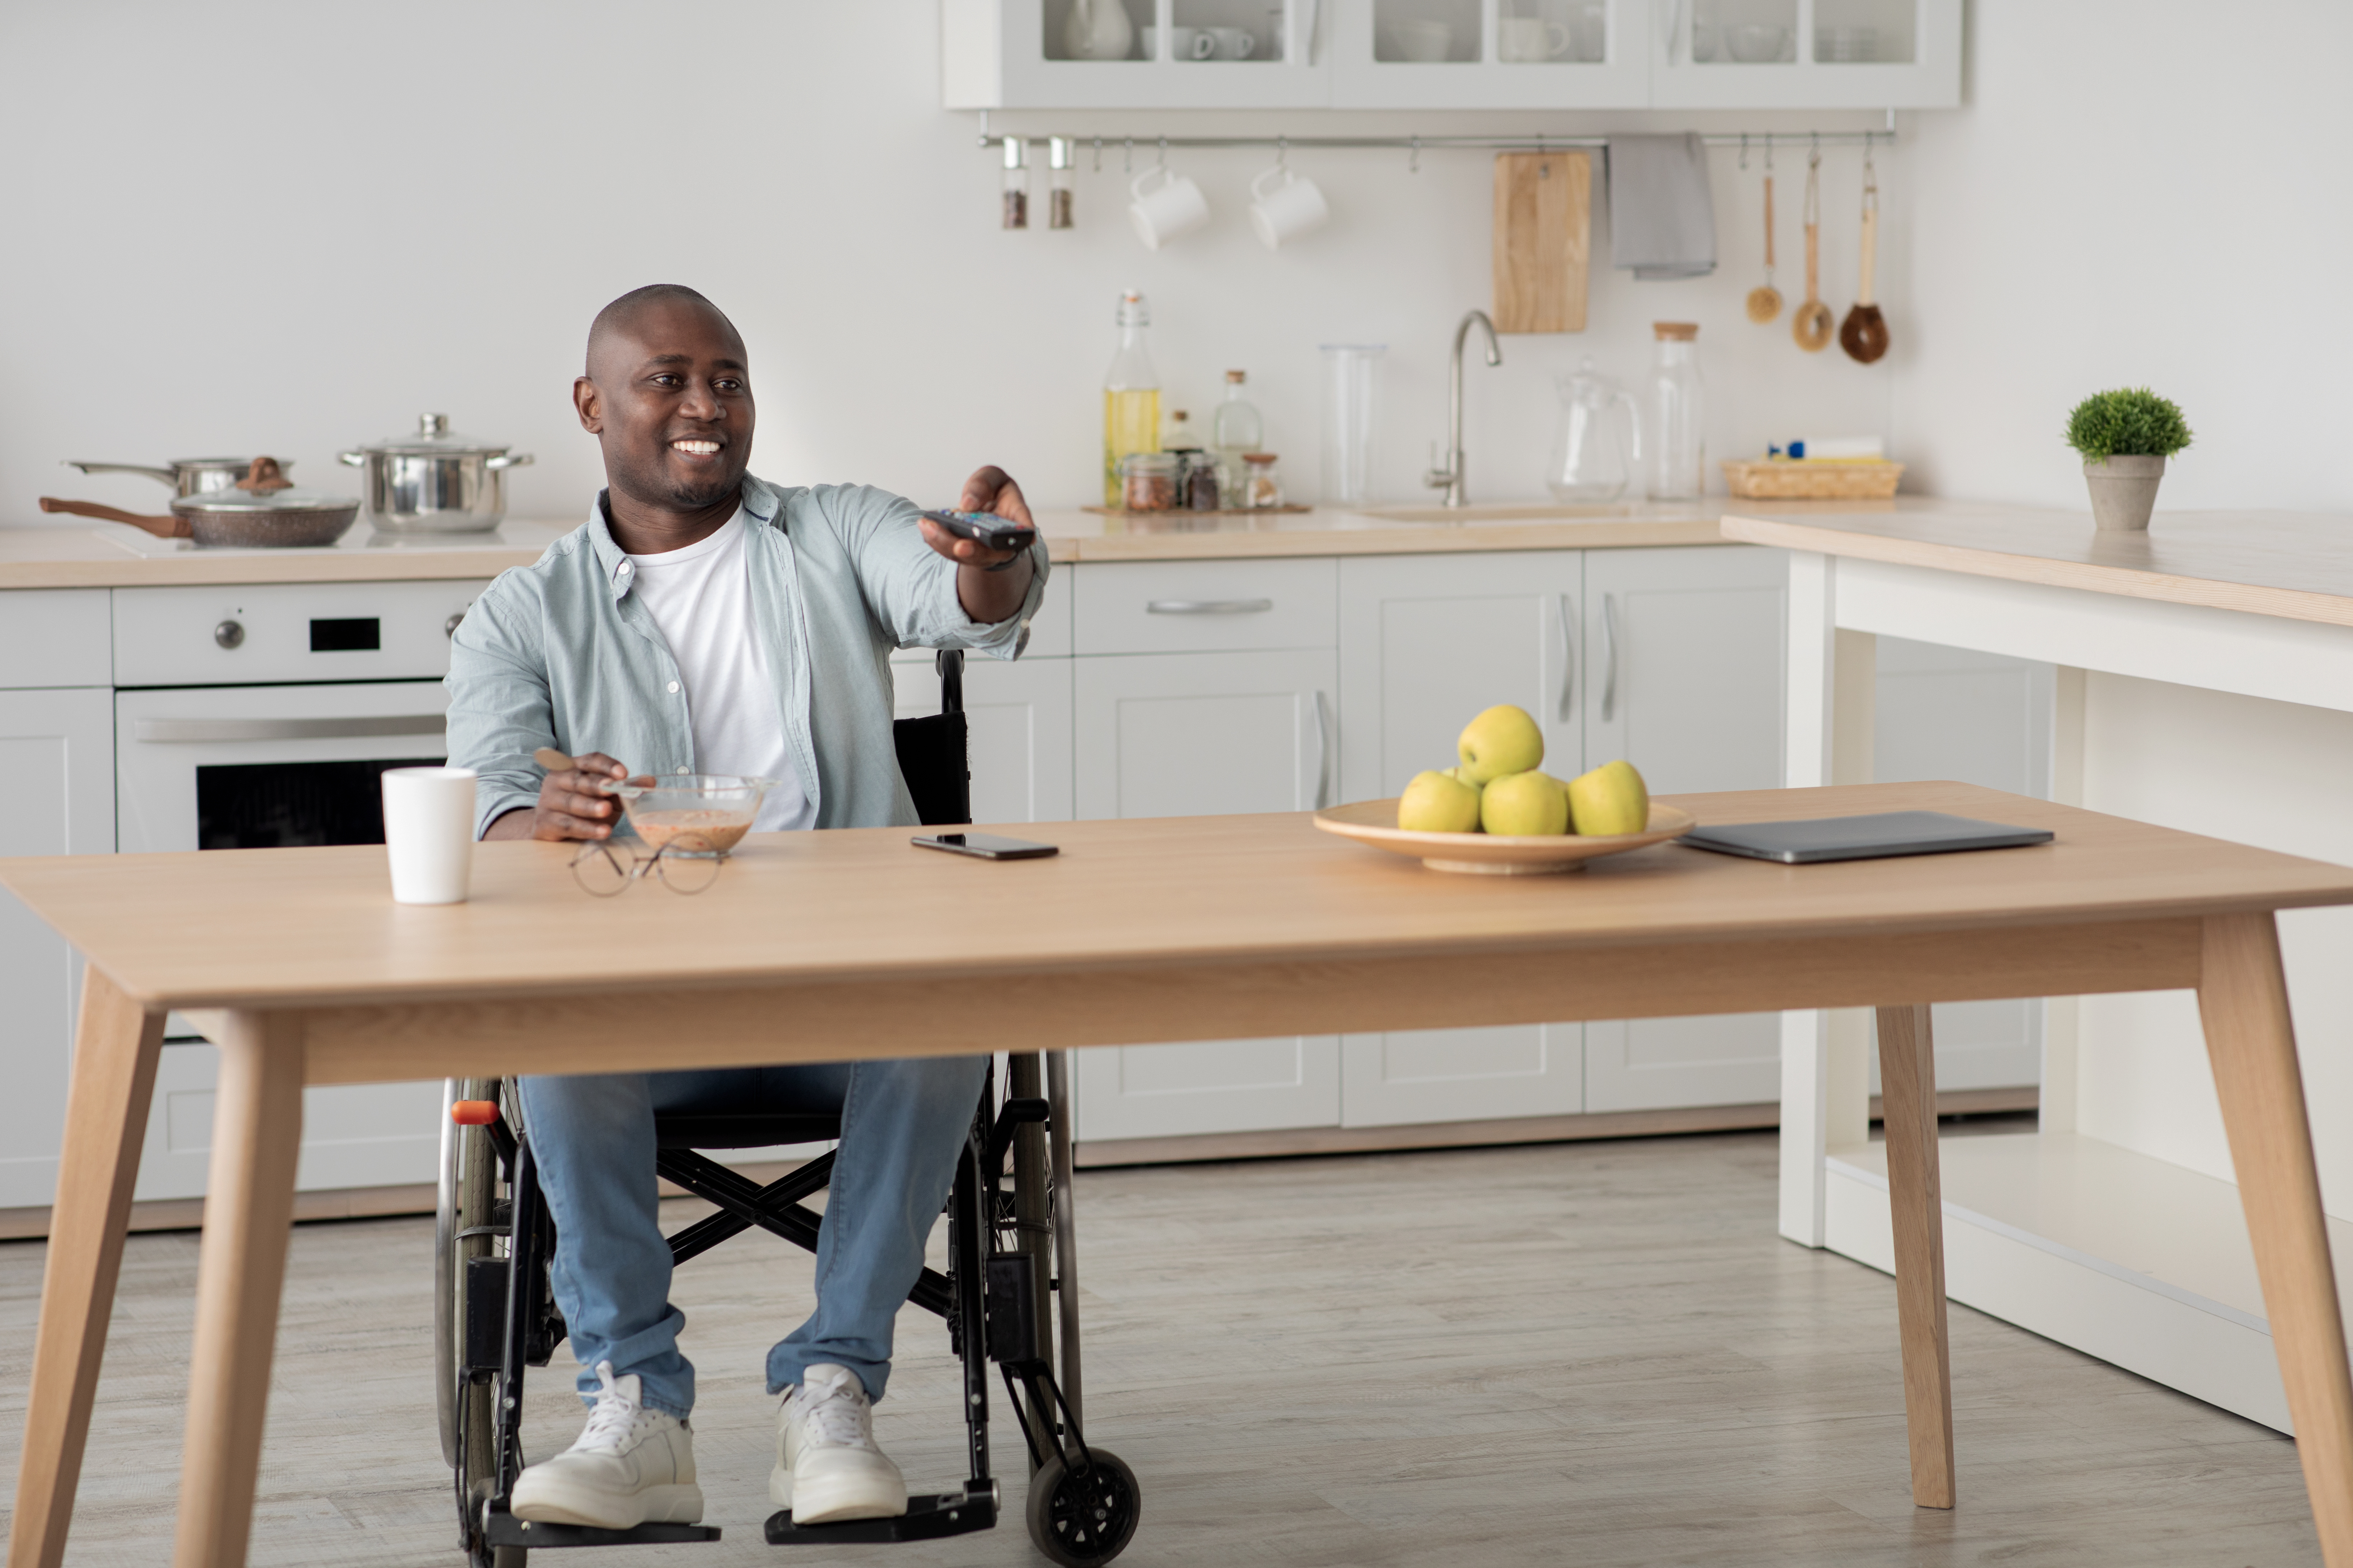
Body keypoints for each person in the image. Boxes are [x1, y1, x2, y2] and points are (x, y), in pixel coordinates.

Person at [443, 283, 1047, 1531]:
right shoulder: (521, 615)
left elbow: (960, 603)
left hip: (846, 996)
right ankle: (637, 1408)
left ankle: (832, 1385)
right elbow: (496, 803)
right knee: (552, 1038)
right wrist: (529, 824)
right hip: (642, 1012)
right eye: (667, 378)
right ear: (591, 404)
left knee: (954, 1009)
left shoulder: (836, 532)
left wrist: (992, 562)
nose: (704, 405)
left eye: (727, 377)